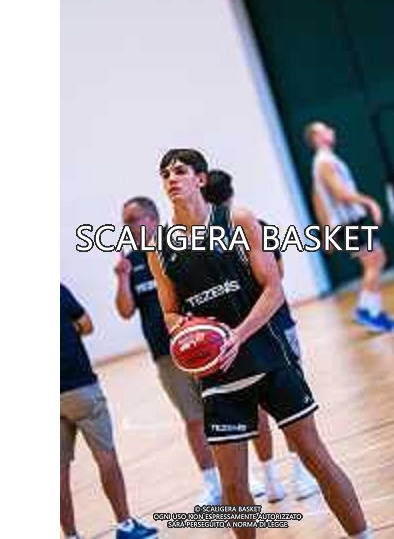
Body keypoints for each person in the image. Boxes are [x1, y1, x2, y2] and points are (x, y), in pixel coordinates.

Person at [148, 149, 374, 539]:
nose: (171, 179)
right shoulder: (159, 248)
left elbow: (273, 289)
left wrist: (236, 335)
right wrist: (184, 327)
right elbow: (168, 312)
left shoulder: (238, 220)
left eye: (180, 171)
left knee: (315, 456)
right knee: (234, 486)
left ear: (200, 179)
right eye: (165, 174)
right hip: (218, 375)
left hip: (268, 358)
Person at [113, 197, 265, 505]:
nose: (127, 226)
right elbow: (125, 311)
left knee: (230, 409)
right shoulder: (132, 261)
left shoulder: (177, 246)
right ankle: (212, 484)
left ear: (152, 218)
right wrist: (122, 277)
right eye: (125, 221)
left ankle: (248, 475)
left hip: (204, 346)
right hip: (166, 355)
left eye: (132, 219)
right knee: (194, 420)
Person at [202, 168, 319, 501]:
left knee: (256, 411)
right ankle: (300, 475)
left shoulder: (196, 241)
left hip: (231, 335)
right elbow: (276, 275)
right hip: (275, 326)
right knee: (294, 409)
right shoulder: (257, 226)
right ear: (231, 193)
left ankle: (270, 481)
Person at [60, 283, 157, 539]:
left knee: (58, 470)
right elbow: (87, 325)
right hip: (80, 386)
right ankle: (126, 526)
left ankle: (70, 535)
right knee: (105, 455)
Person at [306, 121, 394, 333]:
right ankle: (368, 311)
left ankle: (370, 309)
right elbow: (340, 194)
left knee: (377, 259)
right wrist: (370, 202)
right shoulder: (324, 162)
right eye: (325, 129)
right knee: (373, 262)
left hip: (350, 221)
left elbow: (317, 197)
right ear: (317, 138)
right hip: (347, 223)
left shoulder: (326, 160)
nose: (331, 130)